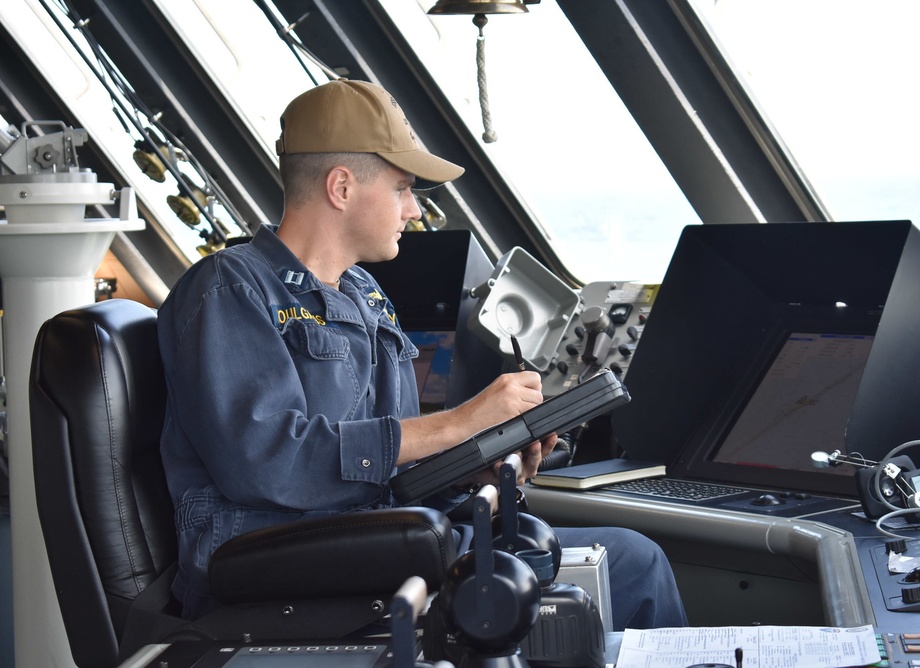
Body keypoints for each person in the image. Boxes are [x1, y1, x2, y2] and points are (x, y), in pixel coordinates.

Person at [158, 78, 687, 630]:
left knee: (626, 560)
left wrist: (477, 465)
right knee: (633, 565)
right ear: (341, 187)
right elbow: (270, 461)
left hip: (378, 540)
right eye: (403, 188)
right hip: (283, 572)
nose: (413, 209)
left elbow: (384, 463)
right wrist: (461, 421)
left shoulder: (362, 294)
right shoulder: (230, 289)